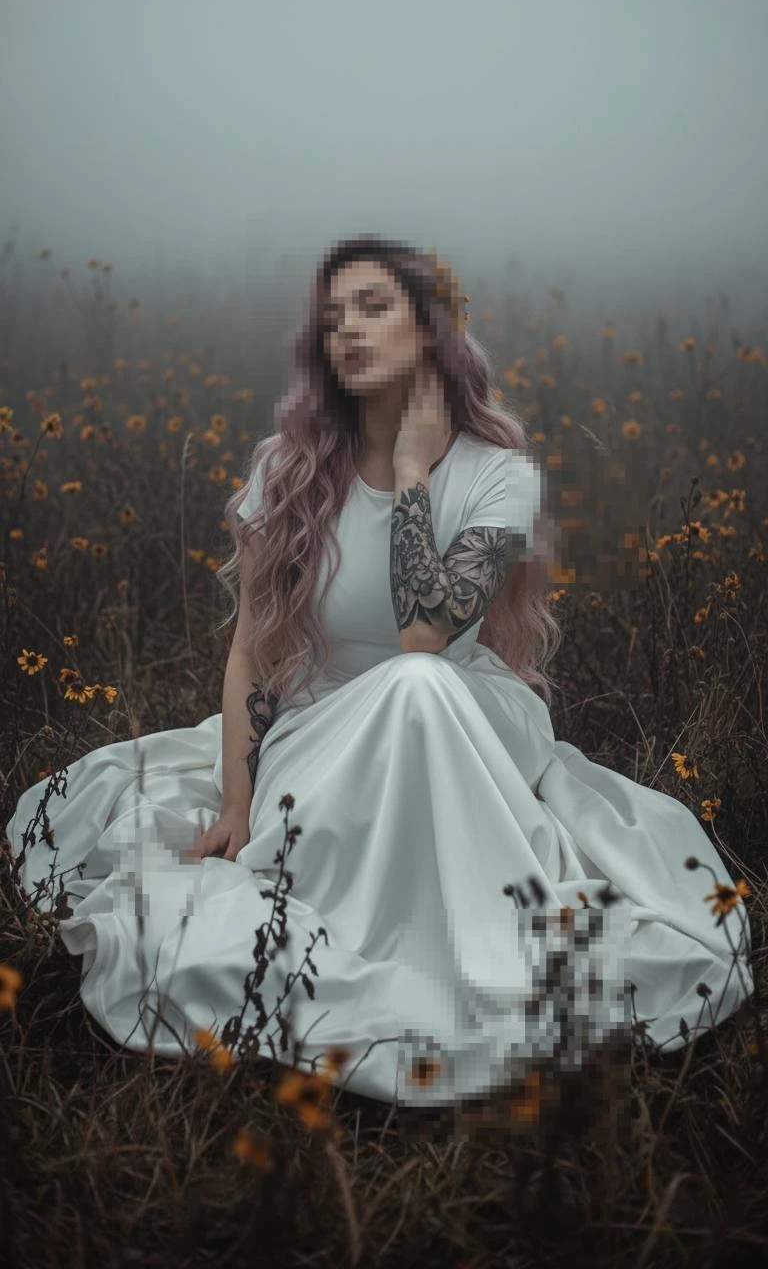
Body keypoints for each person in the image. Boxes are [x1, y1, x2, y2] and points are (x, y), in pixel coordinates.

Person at [6, 234, 753, 1108]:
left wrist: (410, 474)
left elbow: (424, 637)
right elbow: (250, 647)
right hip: (321, 733)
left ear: (430, 332)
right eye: (332, 320)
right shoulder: (285, 470)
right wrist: (238, 804)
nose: (347, 333)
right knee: (395, 695)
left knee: (417, 685)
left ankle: (463, 953)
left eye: (373, 308)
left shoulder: (499, 476)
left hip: (466, 729)